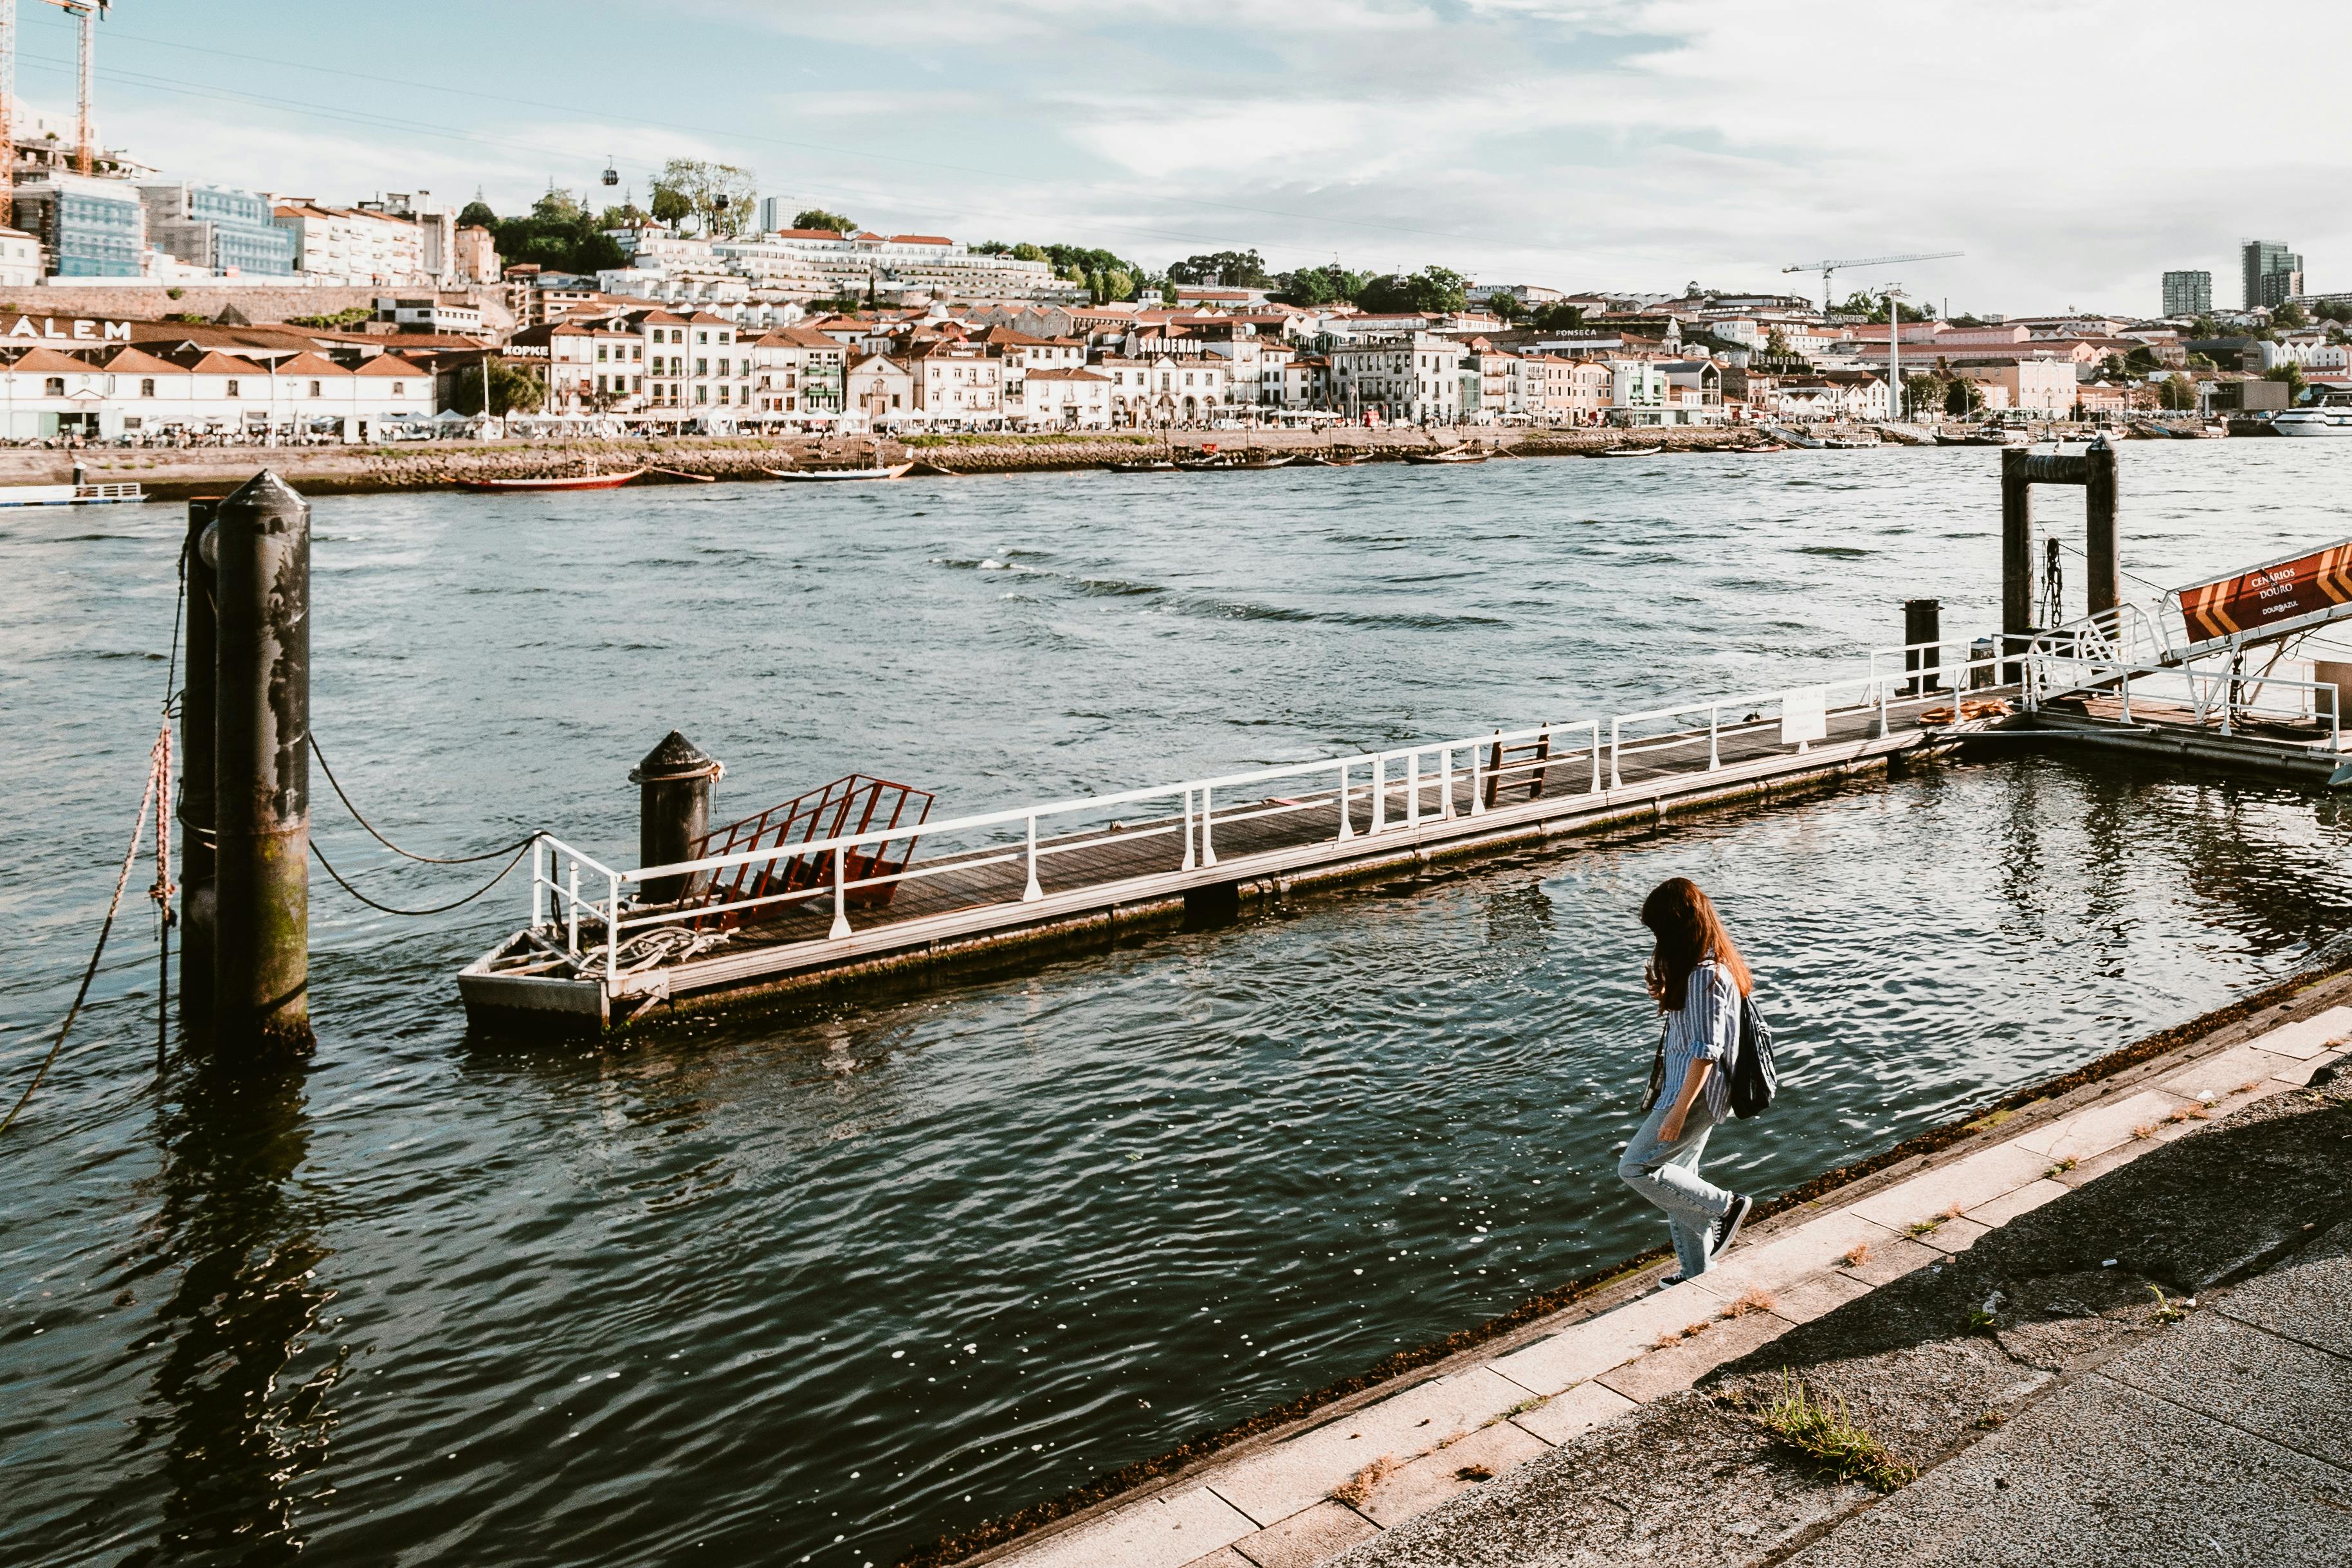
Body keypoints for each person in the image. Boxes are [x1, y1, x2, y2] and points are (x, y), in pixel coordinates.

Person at [1618, 876, 1755, 1282]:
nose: (1656, 940)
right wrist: (1667, 995)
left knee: (1635, 1168)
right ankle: (1697, 1269)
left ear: (1677, 928)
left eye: (1659, 931)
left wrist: (1677, 1113)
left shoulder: (1705, 977)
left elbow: (1705, 1052)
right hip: (1689, 1091)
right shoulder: (1708, 969)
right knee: (1681, 1182)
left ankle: (1725, 1206)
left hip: (1691, 1096)